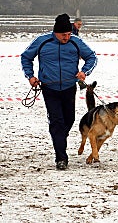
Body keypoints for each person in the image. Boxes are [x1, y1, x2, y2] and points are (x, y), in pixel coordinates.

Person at [21, 13, 97, 170]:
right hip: (49, 88)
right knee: (56, 121)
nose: (67, 37)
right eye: (64, 34)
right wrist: (30, 76)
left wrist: (84, 72)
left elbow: (92, 57)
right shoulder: (42, 41)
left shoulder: (76, 42)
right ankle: (61, 157)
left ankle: (59, 138)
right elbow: (25, 57)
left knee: (69, 120)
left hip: (69, 88)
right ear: (55, 32)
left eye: (69, 34)